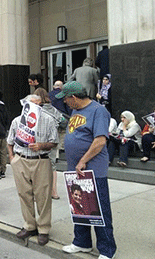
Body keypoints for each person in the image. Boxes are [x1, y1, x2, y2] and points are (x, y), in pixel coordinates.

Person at [56, 81, 117, 259]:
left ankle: (107, 250)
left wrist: (82, 160)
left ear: (73, 97)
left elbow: (99, 141)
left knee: (99, 208)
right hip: (76, 170)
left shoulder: (98, 111)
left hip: (92, 169)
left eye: (66, 99)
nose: (65, 102)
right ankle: (82, 242)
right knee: (80, 207)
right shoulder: (76, 110)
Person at [7, 94, 58, 246]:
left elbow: (54, 142)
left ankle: (43, 229)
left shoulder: (48, 120)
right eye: (33, 104)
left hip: (40, 161)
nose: (37, 108)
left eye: (39, 105)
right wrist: (12, 158)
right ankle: (29, 225)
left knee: (42, 195)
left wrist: (41, 145)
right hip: (21, 160)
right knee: (24, 194)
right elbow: (9, 141)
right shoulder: (17, 121)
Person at [35, 87, 64, 200]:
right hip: (53, 139)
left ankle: (40, 191)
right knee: (52, 166)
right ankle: (54, 191)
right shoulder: (53, 109)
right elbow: (62, 121)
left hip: (40, 140)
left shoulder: (36, 109)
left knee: (37, 165)